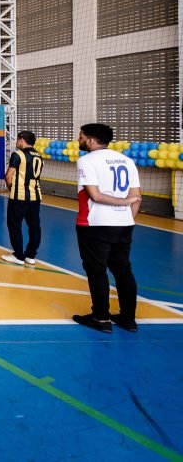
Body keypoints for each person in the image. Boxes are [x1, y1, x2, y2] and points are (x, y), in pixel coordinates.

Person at [72, 123, 141, 334]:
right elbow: (137, 197)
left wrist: (120, 204)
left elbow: (95, 195)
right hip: (124, 225)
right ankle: (128, 318)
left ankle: (101, 318)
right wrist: (126, 217)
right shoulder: (127, 161)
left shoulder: (86, 160)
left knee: (97, 270)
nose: (79, 140)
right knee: (123, 270)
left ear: (91, 140)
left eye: (81, 136)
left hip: (95, 224)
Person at [2, 131, 44, 265]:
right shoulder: (39, 156)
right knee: (34, 226)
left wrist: (11, 189)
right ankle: (30, 255)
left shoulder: (18, 154)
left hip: (19, 196)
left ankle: (19, 256)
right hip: (35, 196)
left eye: (17, 139)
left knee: (14, 225)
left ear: (22, 140)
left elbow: (8, 175)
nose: (16, 142)